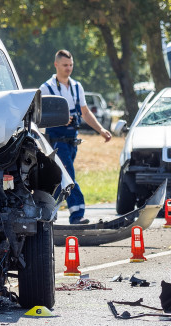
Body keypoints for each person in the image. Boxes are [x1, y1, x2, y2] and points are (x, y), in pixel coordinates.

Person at [40, 49, 112, 225]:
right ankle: (77, 214)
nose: (68, 68)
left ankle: (45, 211)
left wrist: (101, 130)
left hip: (72, 141)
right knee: (69, 177)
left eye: (71, 65)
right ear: (56, 65)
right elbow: (41, 116)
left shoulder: (77, 86)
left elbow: (85, 113)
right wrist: (61, 119)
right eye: (65, 65)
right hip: (56, 141)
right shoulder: (46, 88)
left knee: (60, 180)